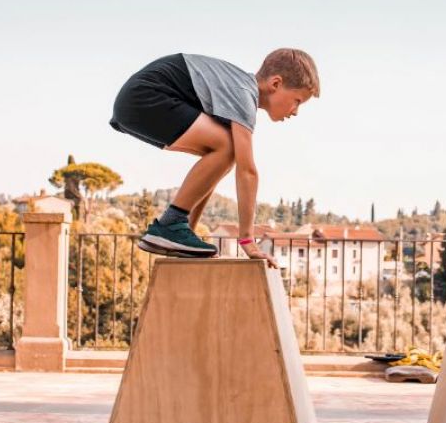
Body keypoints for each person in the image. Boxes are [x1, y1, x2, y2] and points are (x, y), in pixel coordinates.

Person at [110, 49, 320, 265]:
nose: (295, 111)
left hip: (136, 101)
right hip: (145, 96)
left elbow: (213, 172)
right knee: (229, 147)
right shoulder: (243, 94)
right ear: (276, 84)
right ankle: (170, 226)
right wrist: (248, 240)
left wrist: (186, 237)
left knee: (222, 153)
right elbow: (248, 171)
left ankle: (178, 228)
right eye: (297, 101)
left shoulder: (234, 89)